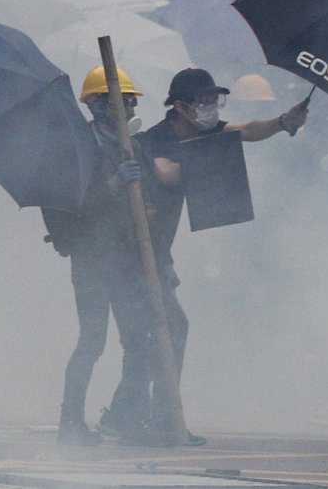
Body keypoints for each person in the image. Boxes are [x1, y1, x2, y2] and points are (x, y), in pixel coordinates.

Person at [119, 67, 308, 445]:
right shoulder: (154, 139)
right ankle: (147, 419)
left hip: (158, 253)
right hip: (128, 253)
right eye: (203, 101)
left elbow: (246, 131)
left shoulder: (206, 133)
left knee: (160, 333)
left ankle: (137, 417)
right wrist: (212, 161)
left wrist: (284, 122)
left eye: (214, 101)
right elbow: (167, 173)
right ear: (181, 106)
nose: (210, 108)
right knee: (159, 332)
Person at [41, 64, 156, 446]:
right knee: (92, 340)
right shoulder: (79, 147)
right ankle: (70, 423)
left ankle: (124, 417)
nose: (128, 106)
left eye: (130, 100)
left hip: (127, 257)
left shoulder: (130, 145)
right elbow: (75, 204)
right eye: (121, 100)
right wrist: (113, 184)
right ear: (98, 104)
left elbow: (146, 199)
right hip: (92, 258)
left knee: (139, 340)